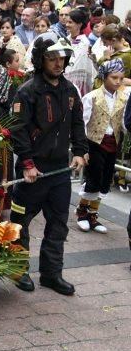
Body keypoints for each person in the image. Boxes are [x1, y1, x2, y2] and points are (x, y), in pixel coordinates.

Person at [9, 36, 88, 296]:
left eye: (61, 58)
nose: (57, 63)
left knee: (58, 224)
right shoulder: (28, 91)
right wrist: (28, 164)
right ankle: (18, 270)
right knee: (21, 222)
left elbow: (77, 123)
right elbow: (18, 130)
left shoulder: (70, 90)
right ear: (41, 59)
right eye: (52, 58)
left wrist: (79, 151)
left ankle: (52, 274)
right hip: (34, 170)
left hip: (59, 172)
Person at [76, 59, 127, 234]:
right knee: (93, 179)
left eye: (121, 78)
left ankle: (93, 214)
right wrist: (82, 149)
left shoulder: (124, 97)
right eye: (114, 77)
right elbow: (81, 123)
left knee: (106, 180)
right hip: (95, 142)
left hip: (113, 143)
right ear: (104, 77)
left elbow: (124, 122)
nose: (118, 82)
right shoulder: (92, 97)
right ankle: (82, 212)